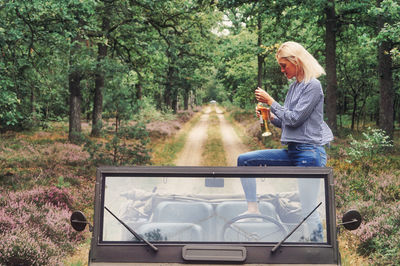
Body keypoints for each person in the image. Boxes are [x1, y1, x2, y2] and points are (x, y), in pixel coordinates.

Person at [237, 41, 333, 241]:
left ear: (296, 62)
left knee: (308, 209)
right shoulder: (293, 88)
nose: (282, 70)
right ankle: (253, 209)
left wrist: (271, 102)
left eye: (284, 65)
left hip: (310, 153)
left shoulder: (313, 86)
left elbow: (295, 118)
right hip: (293, 150)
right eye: (280, 66)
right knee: (244, 161)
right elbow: (288, 122)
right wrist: (270, 117)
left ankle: (319, 255)